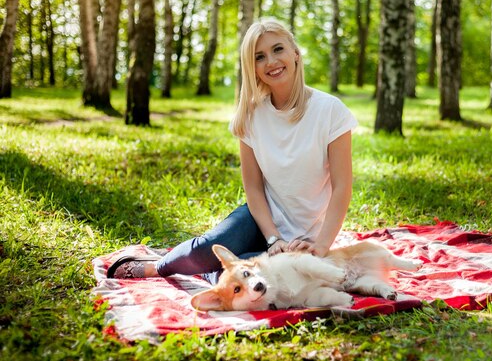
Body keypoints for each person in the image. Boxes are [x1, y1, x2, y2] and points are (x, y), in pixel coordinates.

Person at [107, 19, 358, 281]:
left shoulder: (330, 110)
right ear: (253, 68)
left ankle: (201, 268)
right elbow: (253, 187)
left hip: (304, 236)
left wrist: (322, 245)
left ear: (295, 53)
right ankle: (158, 266)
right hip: (259, 218)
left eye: (278, 49)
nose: (271, 61)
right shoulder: (251, 114)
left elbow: (342, 186)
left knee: (261, 277)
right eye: (259, 57)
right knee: (204, 251)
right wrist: (272, 237)